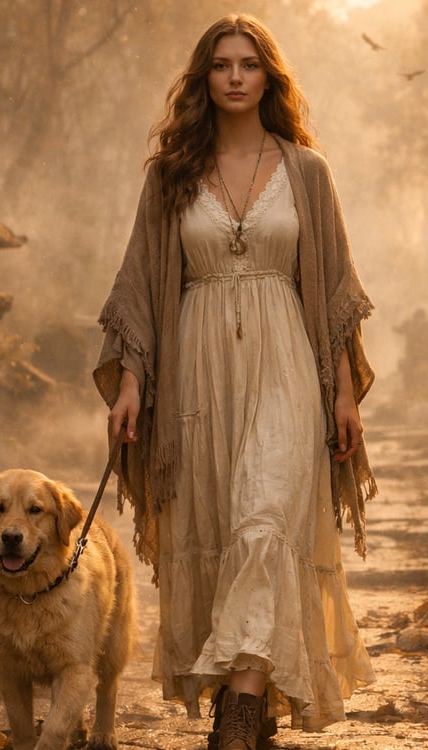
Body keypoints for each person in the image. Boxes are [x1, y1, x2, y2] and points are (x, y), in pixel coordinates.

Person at [94, 14, 377, 750]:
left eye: (249, 64)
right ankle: (246, 692)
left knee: (263, 524)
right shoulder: (171, 175)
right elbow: (140, 288)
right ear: (204, 78)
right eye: (221, 64)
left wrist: (343, 393)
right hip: (198, 375)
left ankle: (241, 712)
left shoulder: (307, 172)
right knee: (220, 532)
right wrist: (132, 384)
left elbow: (334, 291)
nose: (235, 76)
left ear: (268, 76)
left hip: (287, 364)